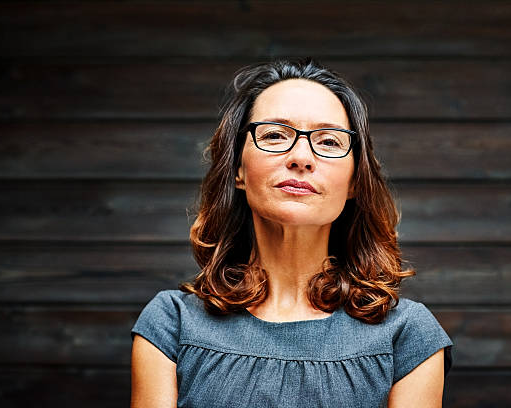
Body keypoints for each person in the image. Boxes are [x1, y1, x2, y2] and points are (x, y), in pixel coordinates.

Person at [130, 58, 453, 408]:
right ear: (238, 169)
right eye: (274, 135)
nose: (301, 157)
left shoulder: (407, 335)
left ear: (354, 182)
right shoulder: (171, 324)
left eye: (329, 141)